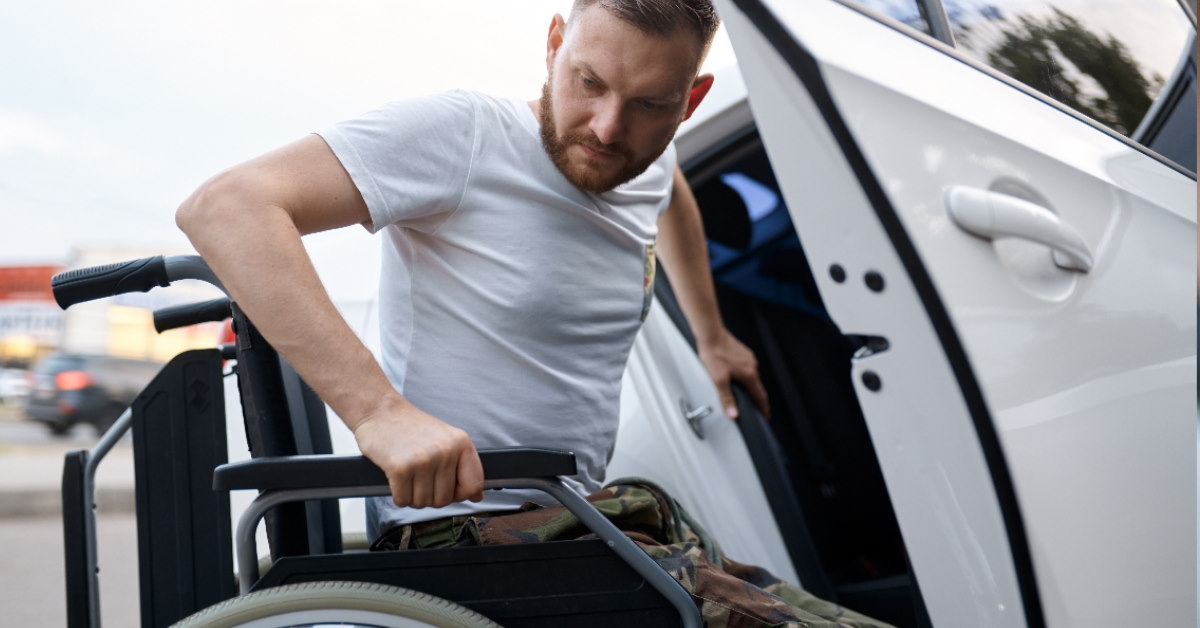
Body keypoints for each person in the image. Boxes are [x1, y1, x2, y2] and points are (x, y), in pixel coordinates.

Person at [178, 1, 891, 626]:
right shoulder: (468, 136)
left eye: (648, 103)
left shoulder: (646, 160)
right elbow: (225, 207)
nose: (609, 128)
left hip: (586, 518)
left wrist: (714, 336)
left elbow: (672, 200)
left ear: (690, 101)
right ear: (554, 44)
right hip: (468, 540)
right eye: (589, 83)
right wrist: (379, 413)